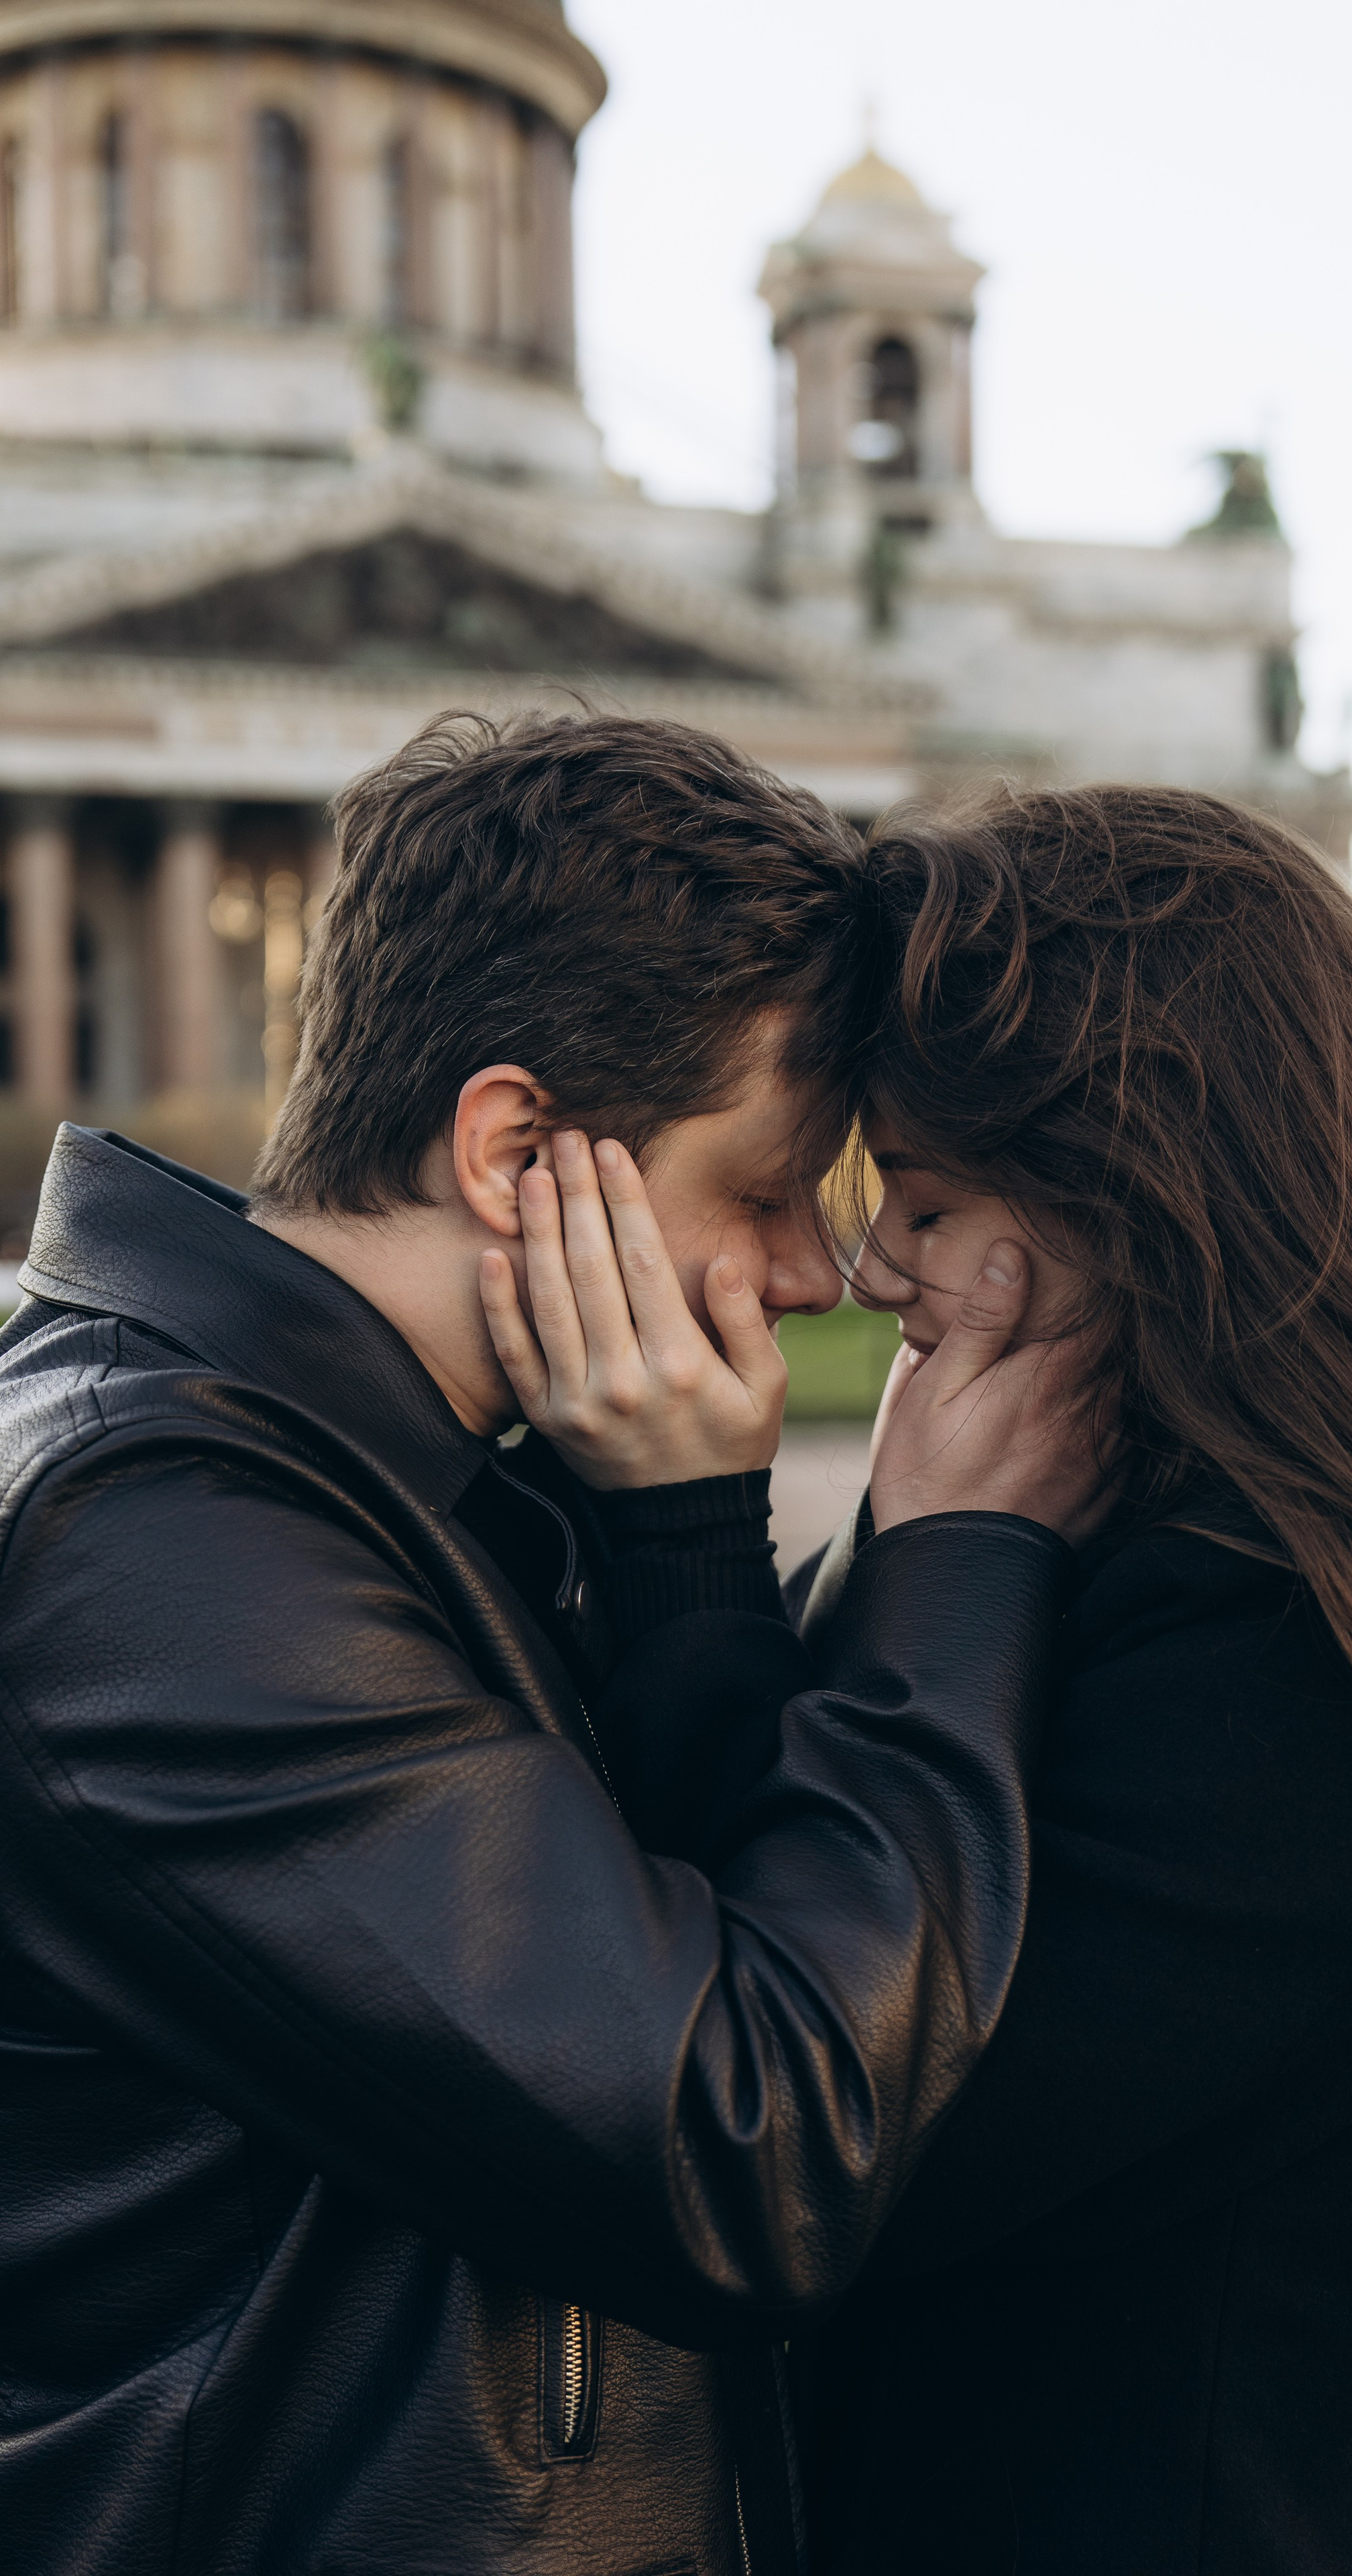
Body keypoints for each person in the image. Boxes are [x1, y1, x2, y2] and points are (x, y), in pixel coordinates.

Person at [0, 714, 1103, 2576]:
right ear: (516, 1149)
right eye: (762, 1189)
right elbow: (747, 2138)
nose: (816, 1277)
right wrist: (962, 1565)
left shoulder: (363, 1476)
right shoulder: (159, 1543)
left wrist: (676, 1545)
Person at [754, 785, 1352, 2575]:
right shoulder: (1194, 1537)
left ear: (1153, 1202)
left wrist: (852, 1556)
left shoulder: (1348, 1662)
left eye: (930, 1198)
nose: (867, 1264)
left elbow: (795, 2160)